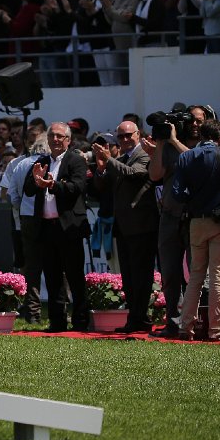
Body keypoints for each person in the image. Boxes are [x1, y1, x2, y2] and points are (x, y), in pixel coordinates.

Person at [173, 120, 220, 341]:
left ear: (201, 135)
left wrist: (194, 199)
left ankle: (186, 327)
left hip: (196, 221)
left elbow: (177, 193)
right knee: (217, 277)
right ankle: (215, 331)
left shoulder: (186, 156)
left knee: (195, 276)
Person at [141, 106, 207, 338]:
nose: (194, 124)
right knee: (169, 273)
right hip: (170, 215)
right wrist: (161, 143)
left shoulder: (206, 146)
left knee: (197, 273)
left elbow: (197, 163)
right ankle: (173, 323)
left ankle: (197, 323)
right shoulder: (168, 145)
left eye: (198, 120)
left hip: (195, 216)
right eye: (191, 120)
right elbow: (155, 175)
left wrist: (175, 141)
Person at [20, 122, 91, 331]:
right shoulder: (41, 161)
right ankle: (57, 321)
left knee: (75, 275)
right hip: (46, 227)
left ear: (68, 140)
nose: (56, 139)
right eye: (52, 136)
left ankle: (80, 321)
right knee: (52, 277)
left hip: (69, 228)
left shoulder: (75, 160)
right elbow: (28, 190)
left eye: (60, 136)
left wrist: (53, 185)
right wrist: (36, 182)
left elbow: (77, 187)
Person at [92, 119, 159, 333]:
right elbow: (101, 186)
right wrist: (101, 169)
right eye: (121, 136)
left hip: (142, 225)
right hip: (123, 226)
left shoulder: (145, 155)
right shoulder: (120, 159)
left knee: (141, 275)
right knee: (128, 276)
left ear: (138, 134)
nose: (125, 139)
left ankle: (142, 318)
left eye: (129, 135)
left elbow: (133, 174)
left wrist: (108, 160)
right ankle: (135, 318)